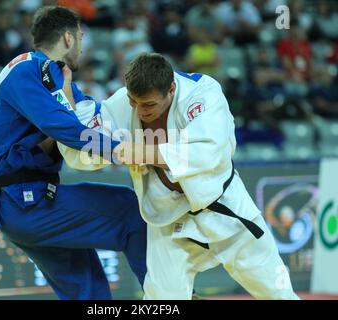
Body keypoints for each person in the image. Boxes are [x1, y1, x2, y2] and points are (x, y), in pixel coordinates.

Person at [59, 53, 300, 300]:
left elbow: (207, 152)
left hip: (226, 212)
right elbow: (79, 147)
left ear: (171, 89)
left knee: (279, 294)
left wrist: (143, 152)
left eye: (149, 105)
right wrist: (64, 92)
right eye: (134, 102)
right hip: (168, 222)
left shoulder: (202, 92)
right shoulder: (124, 102)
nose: (140, 111)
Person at [0, 6, 146, 300]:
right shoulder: (28, 68)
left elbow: (93, 116)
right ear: (68, 38)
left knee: (89, 292)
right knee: (131, 211)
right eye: (81, 38)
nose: (83, 46)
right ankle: (170, 295)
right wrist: (120, 150)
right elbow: (60, 126)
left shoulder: (56, 79)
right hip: (23, 200)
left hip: (29, 199)